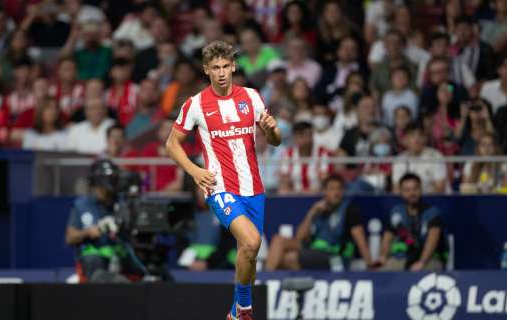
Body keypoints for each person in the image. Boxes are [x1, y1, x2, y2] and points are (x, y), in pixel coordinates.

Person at [165, 40, 281, 320]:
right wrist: (195, 172)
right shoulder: (195, 105)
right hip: (219, 187)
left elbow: (275, 142)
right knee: (252, 242)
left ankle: (233, 314)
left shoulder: (252, 97)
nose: (221, 73)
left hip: (253, 187)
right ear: (206, 70)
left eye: (226, 66)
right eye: (215, 67)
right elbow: (171, 144)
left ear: (233, 66)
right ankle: (243, 307)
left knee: (248, 255)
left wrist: (273, 131)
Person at [265, 175, 373, 271]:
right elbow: (300, 237)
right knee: (278, 240)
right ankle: (263, 282)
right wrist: (312, 212)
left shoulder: (349, 210)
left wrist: (369, 264)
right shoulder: (319, 210)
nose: (336, 193)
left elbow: (360, 239)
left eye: (339, 189)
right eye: (332, 189)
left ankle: (265, 286)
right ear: (325, 191)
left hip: (335, 257)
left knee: (288, 258)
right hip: (316, 251)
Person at [65, 159, 147, 282]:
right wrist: (88, 232)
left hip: (122, 256)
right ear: (95, 182)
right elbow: (70, 238)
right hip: (95, 259)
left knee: (148, 271)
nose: (111, 185)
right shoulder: (82, 205)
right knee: (96, 266)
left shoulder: (124, 203)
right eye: (107, 180)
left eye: (114, 179)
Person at [379, 173, 447, 271]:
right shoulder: (397, 212)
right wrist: (383, 258)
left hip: (429, 260)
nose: (412, 193)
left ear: (420, 190)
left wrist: (422, 262)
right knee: (385, 270)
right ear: (401, 192)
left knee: (430, 268)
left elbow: (433, 239)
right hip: (402, 258)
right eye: (407, 190)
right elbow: (387, 237)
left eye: (415, 189)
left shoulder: (432, 213)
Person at [392, 124, 448, 194]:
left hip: (434, 201)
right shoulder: (399, 160)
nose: (416, 139)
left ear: (425, 138)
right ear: (405, 140)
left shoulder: (436, 157)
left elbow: (440, 188)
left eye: (420, 135)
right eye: (412, 135)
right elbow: (396, 189)